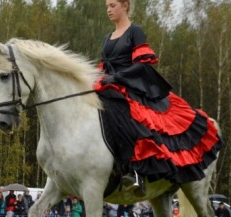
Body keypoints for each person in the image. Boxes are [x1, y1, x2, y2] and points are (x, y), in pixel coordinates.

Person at [95, 0, 223, 196]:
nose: (108, 10)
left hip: (131, 88)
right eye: (107, 7)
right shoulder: (107, 38)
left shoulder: (135, 31)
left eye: (112, 5)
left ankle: (136, 173)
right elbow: (102, 67)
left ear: (125, 5)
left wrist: (117, 77)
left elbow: (142, 65)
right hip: (108, 86)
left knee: (131, 120)